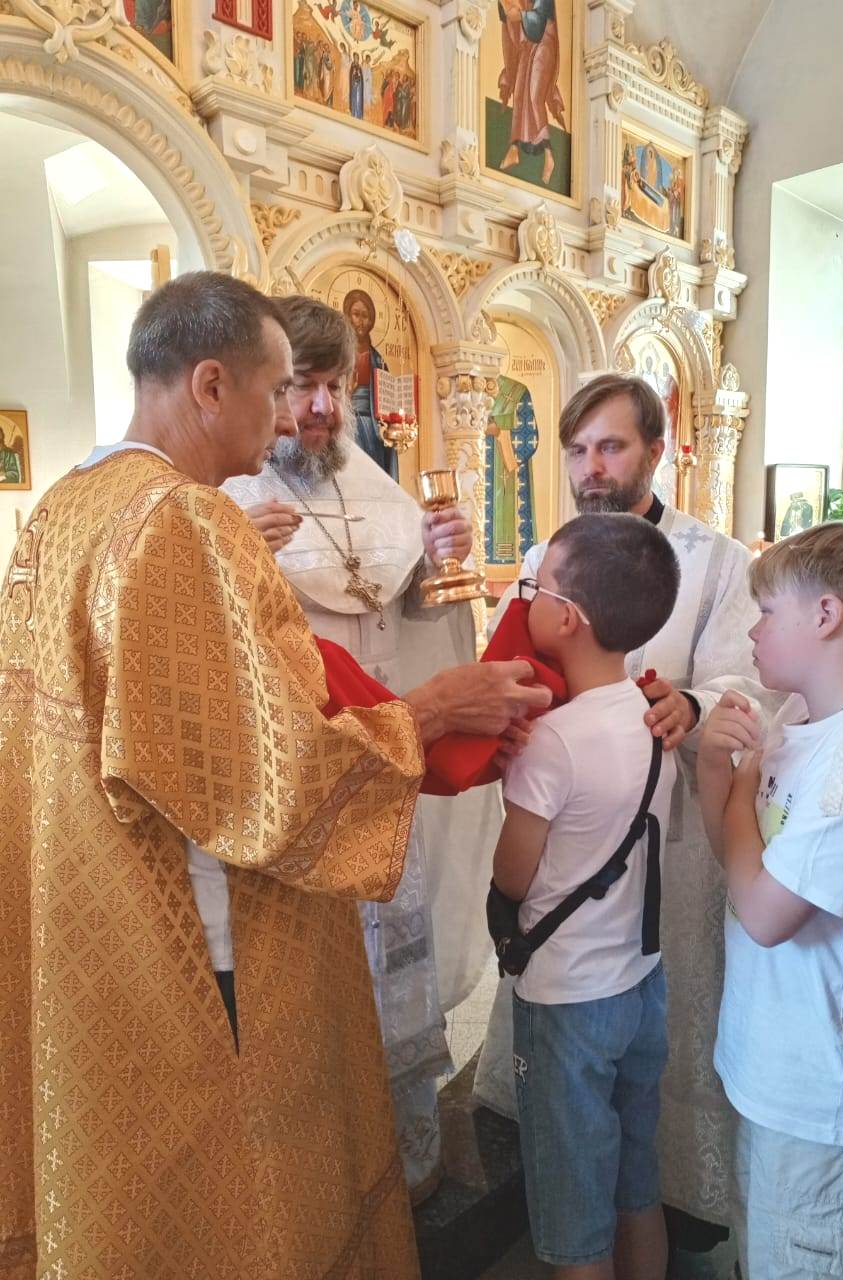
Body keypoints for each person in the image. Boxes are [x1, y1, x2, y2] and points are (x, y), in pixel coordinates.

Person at [0, 271, 551, 1277]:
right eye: (273, 389)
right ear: (211, 385)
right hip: (201, 924)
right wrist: (435, 709)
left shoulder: (66, 505)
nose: (287, 416)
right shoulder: (187, 519)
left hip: (96, 904)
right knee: (242, 1188)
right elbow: (269, 774)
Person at [475, 373, 779, 1277]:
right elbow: (513, 657)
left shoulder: (714, 560)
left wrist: (693, 701)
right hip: (570, 845)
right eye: (577, 449)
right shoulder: (551, 553)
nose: (591, 467)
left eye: (610, 446)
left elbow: (749, 678)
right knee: (590, 1078)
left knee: (636, 1057)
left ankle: (665, 1201)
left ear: (656, 448)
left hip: (666, 844)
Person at [223, 294, 505, 1200]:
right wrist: (230, 561)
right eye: (300, 385)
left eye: (333, 386)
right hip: (301, 789)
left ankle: (407, 1168)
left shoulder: (381, 492)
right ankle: (327, 1186)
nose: (318, 407)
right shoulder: (227, 502)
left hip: (385, 772)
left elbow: (406, 623)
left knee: (396, 971)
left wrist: (438, 566)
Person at [697, 521, 843, 1279]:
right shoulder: (798, 722)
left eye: (767, 612)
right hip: (773, 1072)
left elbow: (764, 915)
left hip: (825, 1105)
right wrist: (718, 774)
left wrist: (734, 788)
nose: (753, 631)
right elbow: (739, 866)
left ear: (826, 616)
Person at [493, 513, 680, 1278]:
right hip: (641, 981)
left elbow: (514, 876)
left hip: (568, 997)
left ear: (566, 618)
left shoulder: (551, 741)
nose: (527, 600)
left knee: (575, 1212)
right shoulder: (656, 714)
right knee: (636, 1181)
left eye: (537, 588)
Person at [497, 0, 565, 187]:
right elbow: (507, 16)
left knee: (535, 96)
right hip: (527, 44)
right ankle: (514, 149)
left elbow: (540, 18)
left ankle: (549, 156)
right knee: (519, 94)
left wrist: (520, 15)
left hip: (545, 41)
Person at [342, 287, 397, 479]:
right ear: (348, 316)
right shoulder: (341, 356)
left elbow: (388, 399)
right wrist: (347, 393)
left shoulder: (378, 361)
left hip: (375, 428)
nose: (361, 321)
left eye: (365, 316)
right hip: (349, 423)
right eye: (356, 314)